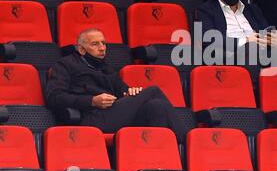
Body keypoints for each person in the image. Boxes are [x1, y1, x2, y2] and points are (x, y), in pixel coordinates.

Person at [46, 28, 188, 141]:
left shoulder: (106, 67)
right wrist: (92, 101)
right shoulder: (65, 65)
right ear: (81, 49)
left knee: (157, 106)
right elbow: (54, 97)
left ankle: (158, 160)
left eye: (103, 43)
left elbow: (122, 89)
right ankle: (189, 143)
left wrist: (129, 92)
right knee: (153, 91)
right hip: (91, 117)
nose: (102, 48)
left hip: (113, 114)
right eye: (95, 44)